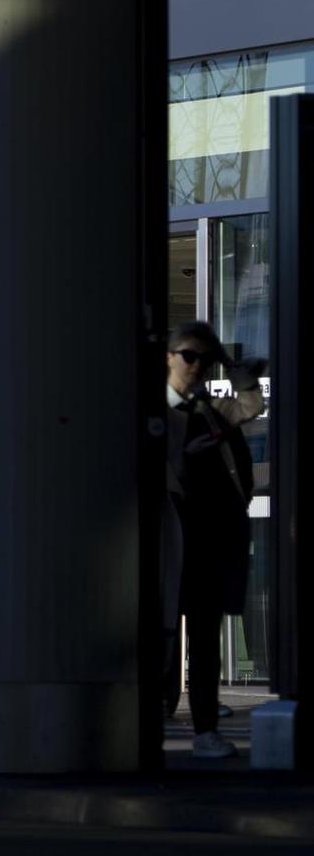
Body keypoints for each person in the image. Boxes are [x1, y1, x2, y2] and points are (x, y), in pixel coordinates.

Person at [163, 320, 264, 761]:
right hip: (168, 537)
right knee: (161, 634)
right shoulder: (153, 412)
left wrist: (232, 368)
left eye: (206, 359)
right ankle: (158, 715)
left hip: (209, 541)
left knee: (205, 639)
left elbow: (251, 404)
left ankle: (205, 727)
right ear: (167, 357)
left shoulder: (208, 409)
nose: (197, 367)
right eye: (190, 356)